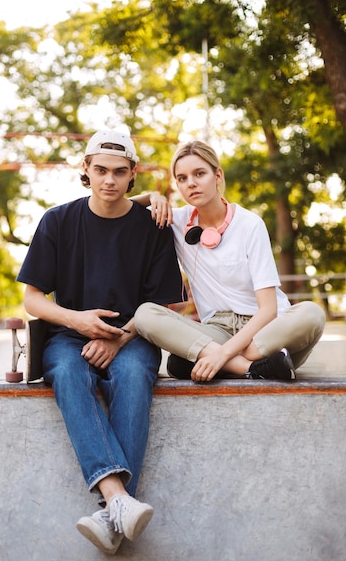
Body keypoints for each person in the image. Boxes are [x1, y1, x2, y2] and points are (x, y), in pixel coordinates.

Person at [17, 130, 183, 555]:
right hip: (70, 337)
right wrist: (78, 321)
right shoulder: (57, 221)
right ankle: (119, 500)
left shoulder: (154, 227)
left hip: (136, 337)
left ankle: (111, 511)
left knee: (131, 375)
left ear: (132, 176)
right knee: (69, 373)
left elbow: (164, 305)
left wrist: (118, 339)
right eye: (101, 170)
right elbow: (31, 297)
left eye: (119, 172)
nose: (109, 179)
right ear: (86, 171)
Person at [134, 140, 326, 382]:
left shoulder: (249, 224)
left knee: (312, 314)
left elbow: (268, 309)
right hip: (217, 329)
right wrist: (153, 196)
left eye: (199, 173)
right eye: (182, 178)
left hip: (265, 332)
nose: (191, 182)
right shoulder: (177, 221)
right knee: (145, 314)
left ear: (217, 175)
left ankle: (216, 360)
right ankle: (256, 368)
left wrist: (220, 354)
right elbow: (124, 207)